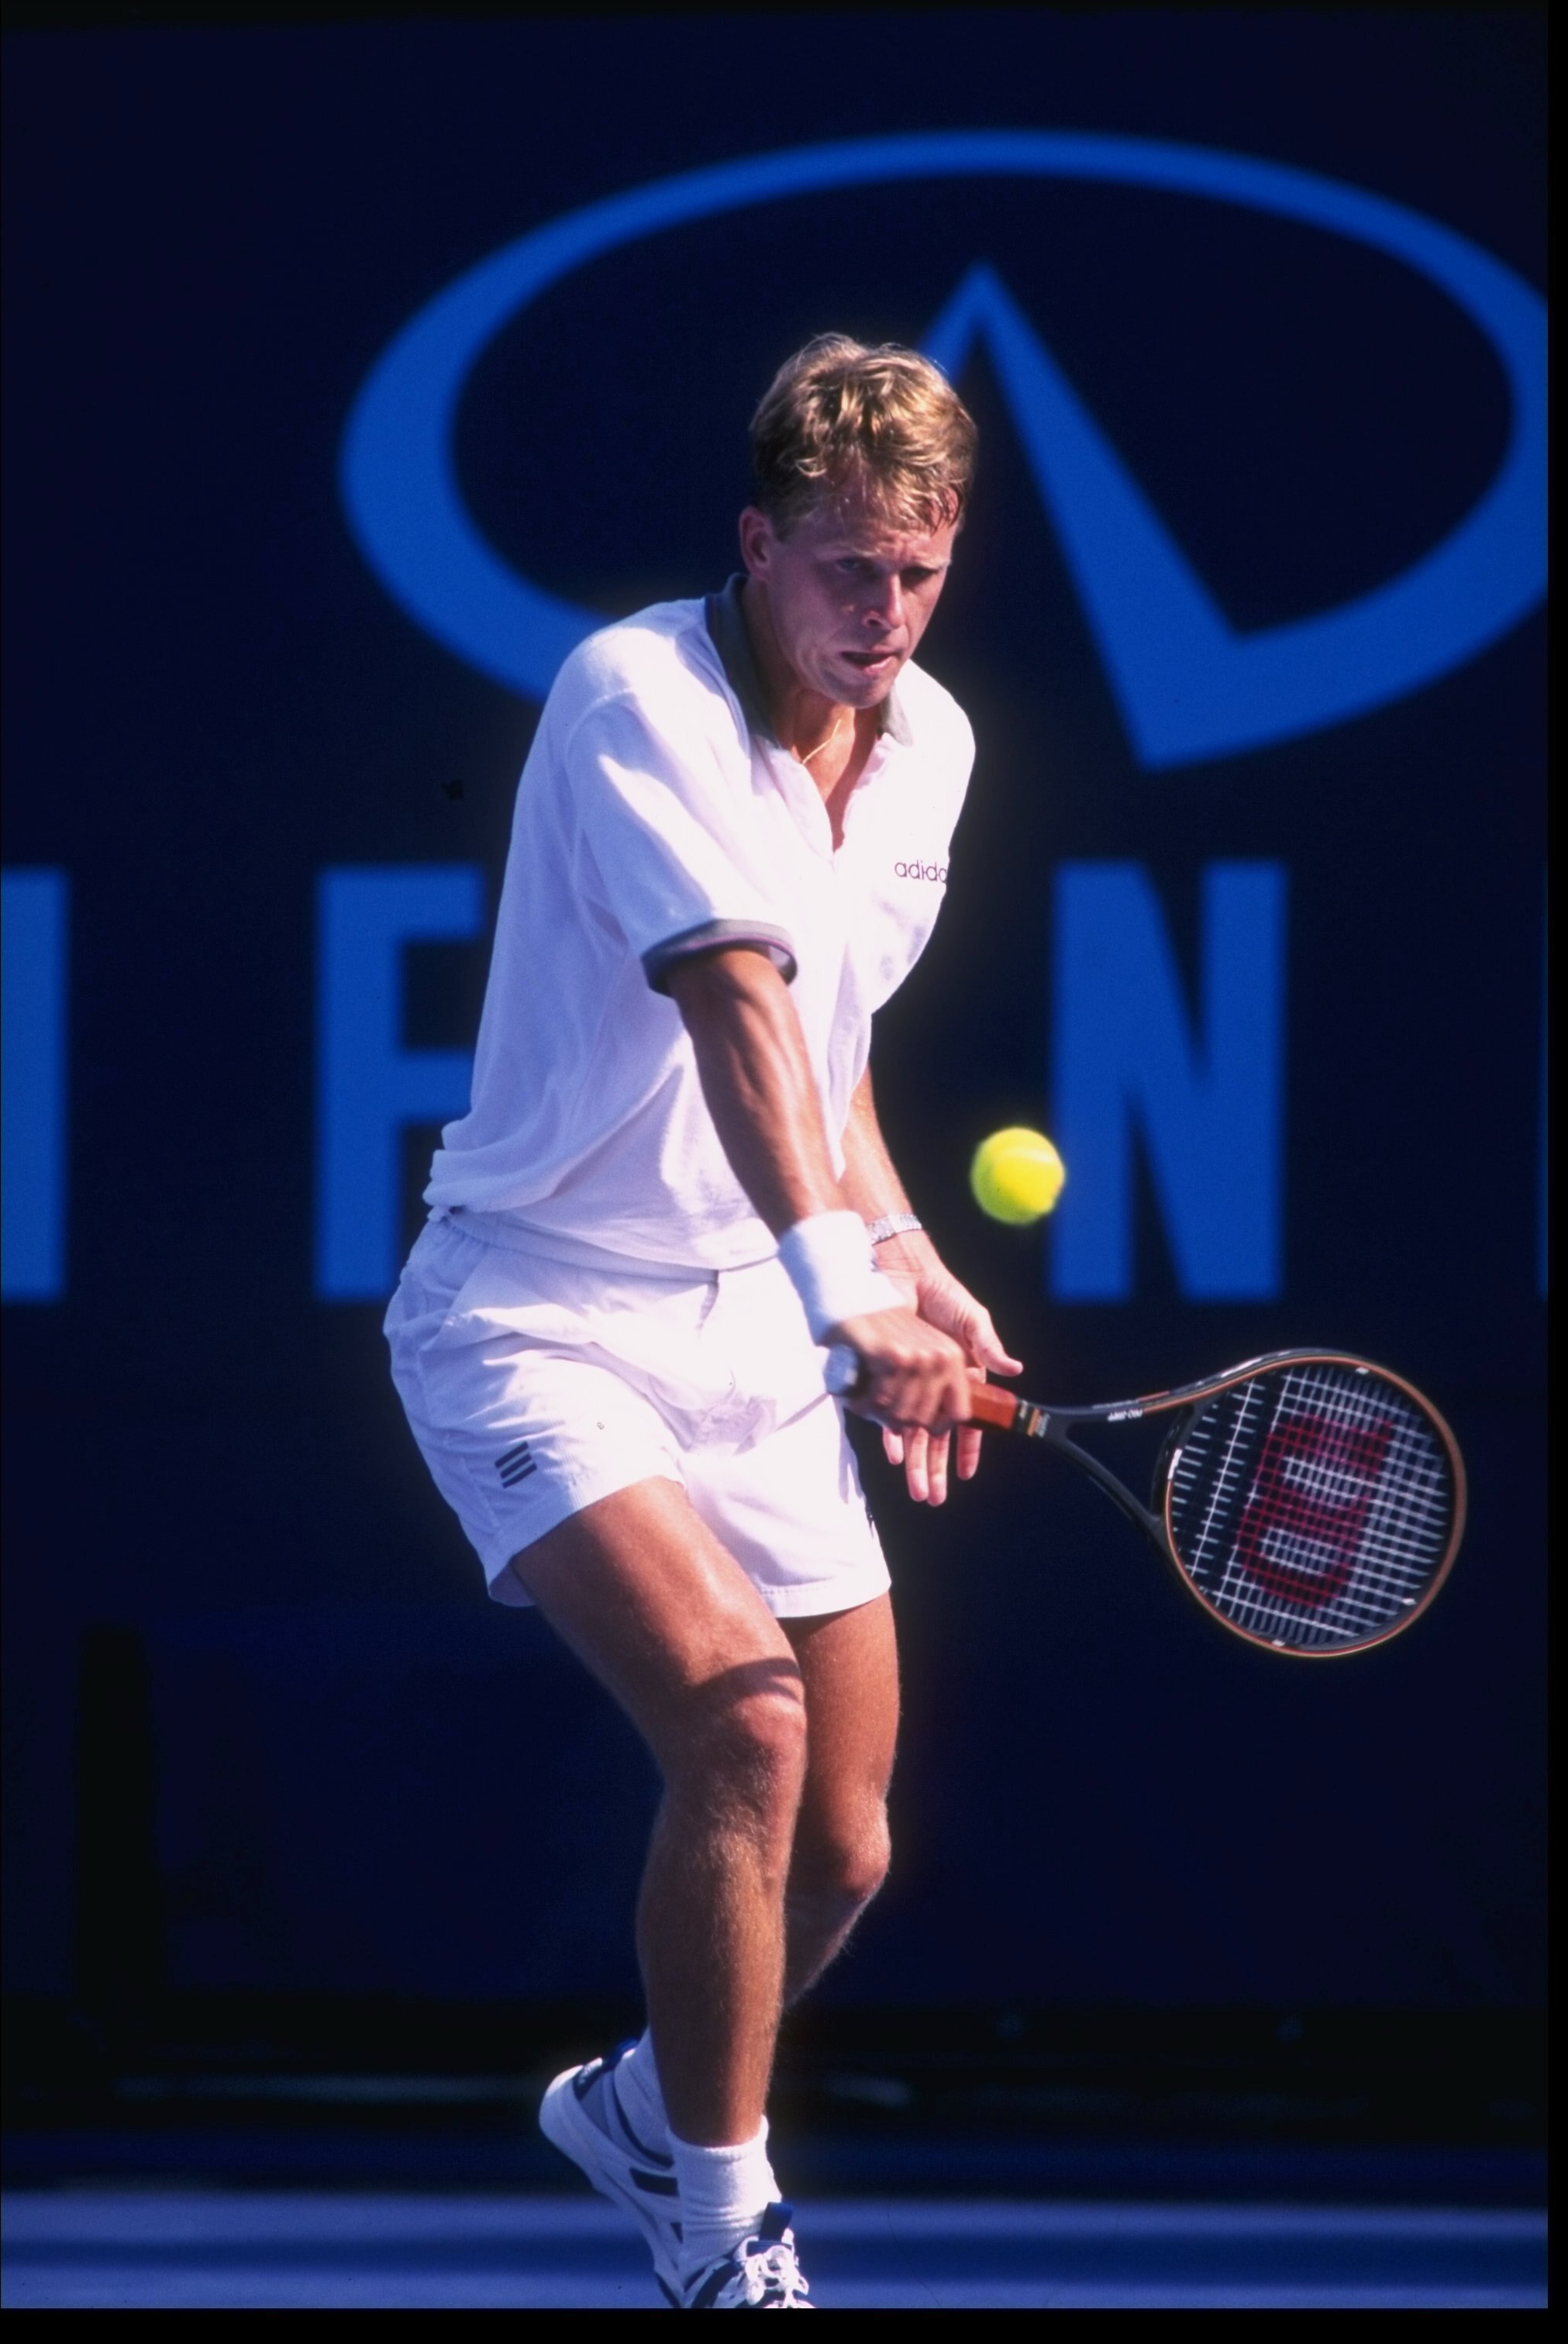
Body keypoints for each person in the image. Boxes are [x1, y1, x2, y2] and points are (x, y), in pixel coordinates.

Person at [385, 334, 1018, 2309]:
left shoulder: (933, 745)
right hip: (539, 1318)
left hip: (756, 1324)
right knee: (743, 1728)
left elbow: (825, 1060)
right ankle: (725, 2228)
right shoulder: (630, 695)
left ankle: (654, 2108)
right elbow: (735, 1000)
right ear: (755, 547)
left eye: (918, 575)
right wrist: (850, 1293)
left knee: (841, 1843)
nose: (883, 618)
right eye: (845, 571)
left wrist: (904, 1252)